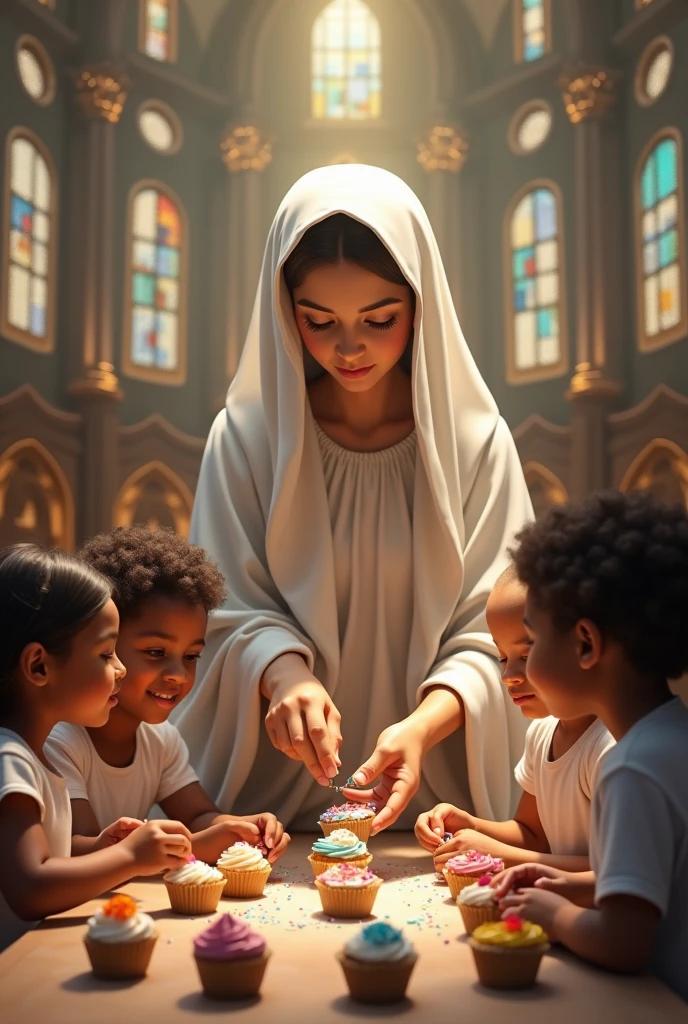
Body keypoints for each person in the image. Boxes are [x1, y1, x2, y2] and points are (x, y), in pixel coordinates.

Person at [174, 164, 533, 834]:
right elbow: (223, 614)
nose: (349, 347)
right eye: (318, 321)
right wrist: (284, 677)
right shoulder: (247, 441)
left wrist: (423, 729)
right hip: (273, 806)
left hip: (441, 808)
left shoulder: (476, 445)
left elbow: (499, 628)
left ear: (420, 304)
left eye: (379, 318)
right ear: (287, 314)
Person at [492, 491, 688, 1002]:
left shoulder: (631, 769)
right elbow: (652, 889)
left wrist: (551, 914)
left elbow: (625, 942)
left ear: (585, 644)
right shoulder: (672, 737)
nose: (520, 671)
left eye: (532, 642)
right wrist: (571, 887)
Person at [46, 526, 290, 864]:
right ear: (105, 645)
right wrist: (192, 845)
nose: (178, 675)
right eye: (156, 652)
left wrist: (238, 829)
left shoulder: (160, 740)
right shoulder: (61, 740)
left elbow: (199, 817)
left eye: (191, 657)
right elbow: (80, 847)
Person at [0, 544, 192, 951]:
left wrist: (105, 847)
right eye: (107, 654)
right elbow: (30, 887)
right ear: (39, 666)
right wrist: (130, 858)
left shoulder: (36, 758)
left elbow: (52, 859)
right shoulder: (9, 759)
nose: (120, 669)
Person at [415, 564, 614, 870]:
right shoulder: (542, 734)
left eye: (526, 656)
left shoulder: (611, 749)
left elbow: (617, 873)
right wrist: (469, 825)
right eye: (502, 657)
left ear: (587, 644)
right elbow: (532, 834)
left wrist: (500, 856)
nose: (508, 676)